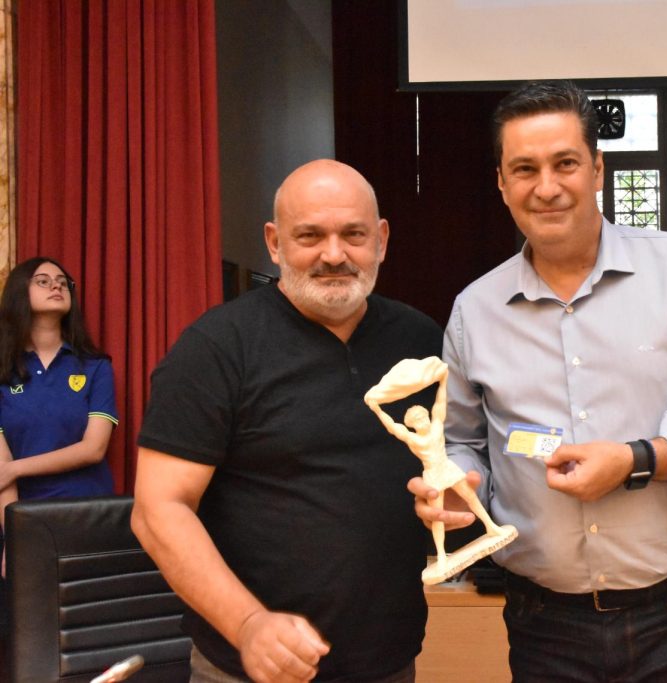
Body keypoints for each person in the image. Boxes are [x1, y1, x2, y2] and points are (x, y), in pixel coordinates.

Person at [409, 80, 667, 682]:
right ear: (501, 182)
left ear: (598, 169)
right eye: (525, 169)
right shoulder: (474, 311)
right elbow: (464, 442)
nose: (547, 187)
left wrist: (638, 460)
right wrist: (457, 484)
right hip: (543, 624)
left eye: (565, 163)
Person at [131, 160, 442, 683]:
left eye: (353, 234)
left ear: (381, 240)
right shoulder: (216, 348)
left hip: (389, 662)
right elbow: (158, 509)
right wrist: (247, 623)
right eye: (310, 236)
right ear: (275, 244)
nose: (334, 254)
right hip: (248, 666)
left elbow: (446, 466)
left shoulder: (421, 340)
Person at [365, 356, 509, 576]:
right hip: (432, 475)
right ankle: (441, 554)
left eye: (423, 417)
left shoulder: (435, 428)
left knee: (470, 497)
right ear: (412, 425)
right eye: (418, 420)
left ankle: (491, 526)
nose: (423, 421)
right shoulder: (414, 439)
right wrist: (377, 409)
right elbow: (393, 427)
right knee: (438, 515)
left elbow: (440, 405)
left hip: (448, 467)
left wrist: (443, 381)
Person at [0, 257, 117, 506]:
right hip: (25, 513)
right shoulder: (3, 370)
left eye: (63, 283)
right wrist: (13, 528)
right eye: (43, 281)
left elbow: (94, 449)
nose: (57, 286)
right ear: (19, 291)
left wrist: (16, 469)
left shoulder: (95, 366)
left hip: (88, 510)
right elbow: (2, 470)